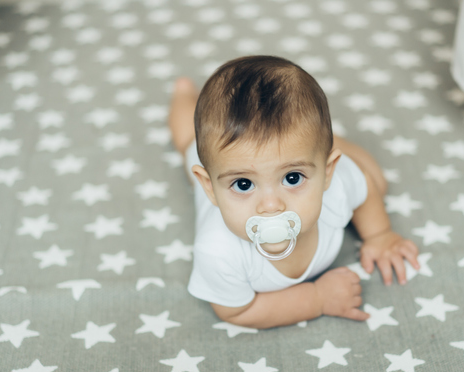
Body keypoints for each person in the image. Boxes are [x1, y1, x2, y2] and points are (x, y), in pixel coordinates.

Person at [167, 55, 419, 329]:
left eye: (292, 177)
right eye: (243, 184)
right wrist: (316, 298)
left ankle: (321, 143)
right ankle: (183, 93)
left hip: (318, 159)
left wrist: (379, 234)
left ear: (327, 173)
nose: (271, 205)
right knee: (188, 141)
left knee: (378, 182)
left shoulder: (337, 187)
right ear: (210, 188)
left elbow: (365, 183)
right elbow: (236, 312)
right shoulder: (218, 252)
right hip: (208, 152)